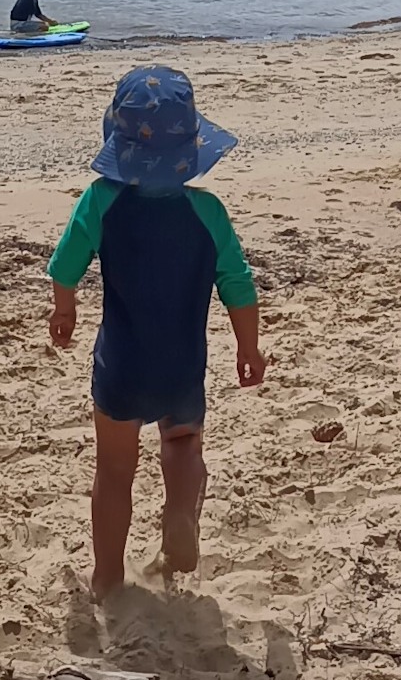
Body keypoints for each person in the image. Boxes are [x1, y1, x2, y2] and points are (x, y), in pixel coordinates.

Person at [45, 65, 264, 595]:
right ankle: (182, 515)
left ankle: (107, 575)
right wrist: (249, 347)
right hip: (182, 363)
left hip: (121, 366)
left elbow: (65, 264)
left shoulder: (101, 201)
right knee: (185, 444)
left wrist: (65, 309)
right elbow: (238, 283)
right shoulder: (208, 212)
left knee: (115, 471)